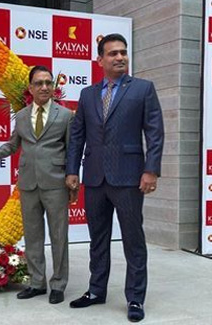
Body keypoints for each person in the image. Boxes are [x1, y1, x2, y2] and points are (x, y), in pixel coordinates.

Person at [65, 33, 164, 322]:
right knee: (98, 239)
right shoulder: (88, 94)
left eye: (123, 52)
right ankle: (96, 290)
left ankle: (135, 299)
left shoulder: (143, 89)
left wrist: (151, 169)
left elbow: (155, 133)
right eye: (113, 53)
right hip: (95, 178)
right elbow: (78, 136)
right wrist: (73, 170)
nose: (120, 57)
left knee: (133, 241)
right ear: (100, 60)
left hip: (130, 178)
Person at [0, 66, 74, 304]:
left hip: (56, 183)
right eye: (39, 83)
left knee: (59, 235)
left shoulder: (66, 115)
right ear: (30, 88)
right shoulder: (21, 116)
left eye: (48, 83)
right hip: (28, 184)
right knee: (32, 235)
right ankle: (37, 283)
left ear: (53, 87)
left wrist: (73, 180)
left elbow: (73, 150)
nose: (44, 87)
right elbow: (10, 146)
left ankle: (58, 284)